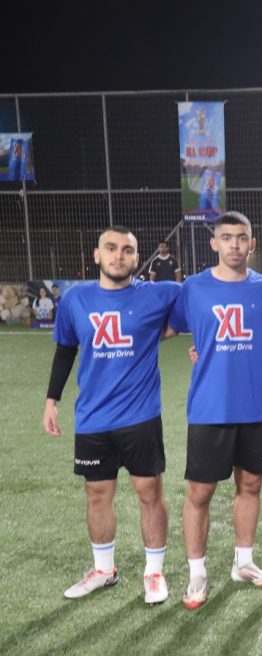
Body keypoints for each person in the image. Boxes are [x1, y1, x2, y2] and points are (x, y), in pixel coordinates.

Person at [43, 226, 180, 604]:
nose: (119, 255)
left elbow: (197, 311)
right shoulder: (76, 299)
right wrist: (51, 400)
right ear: (97, 255)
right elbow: (65, 349)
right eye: (111, 248)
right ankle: (104, 570)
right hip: (93, 417)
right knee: (97, 493)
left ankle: (154, 573)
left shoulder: (158, 294)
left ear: (137, 258)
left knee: (149, 492)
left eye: (127, 250)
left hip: (140, 415)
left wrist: (185, 341)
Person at [168, 211, 262, 609]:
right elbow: (169, 328)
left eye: (241, 237)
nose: (234, 244)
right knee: (201, 491)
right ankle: (197, 573)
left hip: (253, 407)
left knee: (251, 485)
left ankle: (243, 562)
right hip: (209, 408)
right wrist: (198, 347)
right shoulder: (194, 288)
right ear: (214, 243)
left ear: (251, 244)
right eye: (227, 237)